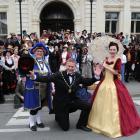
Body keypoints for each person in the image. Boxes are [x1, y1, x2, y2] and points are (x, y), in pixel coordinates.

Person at [29, 58, 101, 131]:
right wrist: (34, 77)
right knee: (65, 128)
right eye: (69, 66)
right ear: (66, 66)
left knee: (87, 106)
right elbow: (47, 78)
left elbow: (86, 82)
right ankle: (58, 115)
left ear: (75, 67)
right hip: (61, 103)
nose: (70, 68)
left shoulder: (77, 75)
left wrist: (96, 77)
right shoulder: (59, 75)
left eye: (72, 67)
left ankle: (81, 124)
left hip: (72, 101)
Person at [87, 42, 140, 138]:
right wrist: (100, 67)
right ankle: (100, 124)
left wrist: (106, 66)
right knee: (100, 105)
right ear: (109, 50)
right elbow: (103, 71)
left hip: (113, 84)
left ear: (116, 50)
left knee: (113, 106)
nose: (112, 51)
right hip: (104, 83)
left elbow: (117, 72)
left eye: (114, 50)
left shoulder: (118, 59)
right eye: (111, 49)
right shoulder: (106, 58)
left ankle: (112, 126)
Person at [22, 42, 53, 131]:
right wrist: (29, 75)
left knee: (40, 105)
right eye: (38, 51)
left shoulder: (46, 63)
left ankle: (38, 121)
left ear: (43, 53)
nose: (39, 52)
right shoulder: (30, 62)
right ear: (34, 52)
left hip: (44, 88)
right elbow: (23, 72)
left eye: (41, 51)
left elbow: (49, 74)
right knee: (33, 106)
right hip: (33, 87)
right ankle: (31, 123)